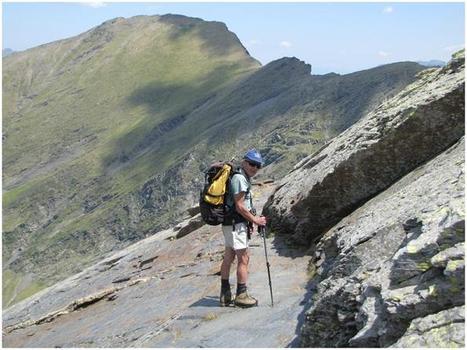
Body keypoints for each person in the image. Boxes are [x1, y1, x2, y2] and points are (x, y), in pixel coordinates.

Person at [220, 149, 267, 308]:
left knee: (229, 256)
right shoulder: (240, 179)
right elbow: (240, 206)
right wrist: (256, 220)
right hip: (236, 224)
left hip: (230, 224)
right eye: (252, 164)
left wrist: (251, 221)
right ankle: (241, 294)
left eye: (258, 166)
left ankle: (225, 293)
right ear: (244, 162)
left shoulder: (240, 177)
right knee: (244, 258)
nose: (255, 168)